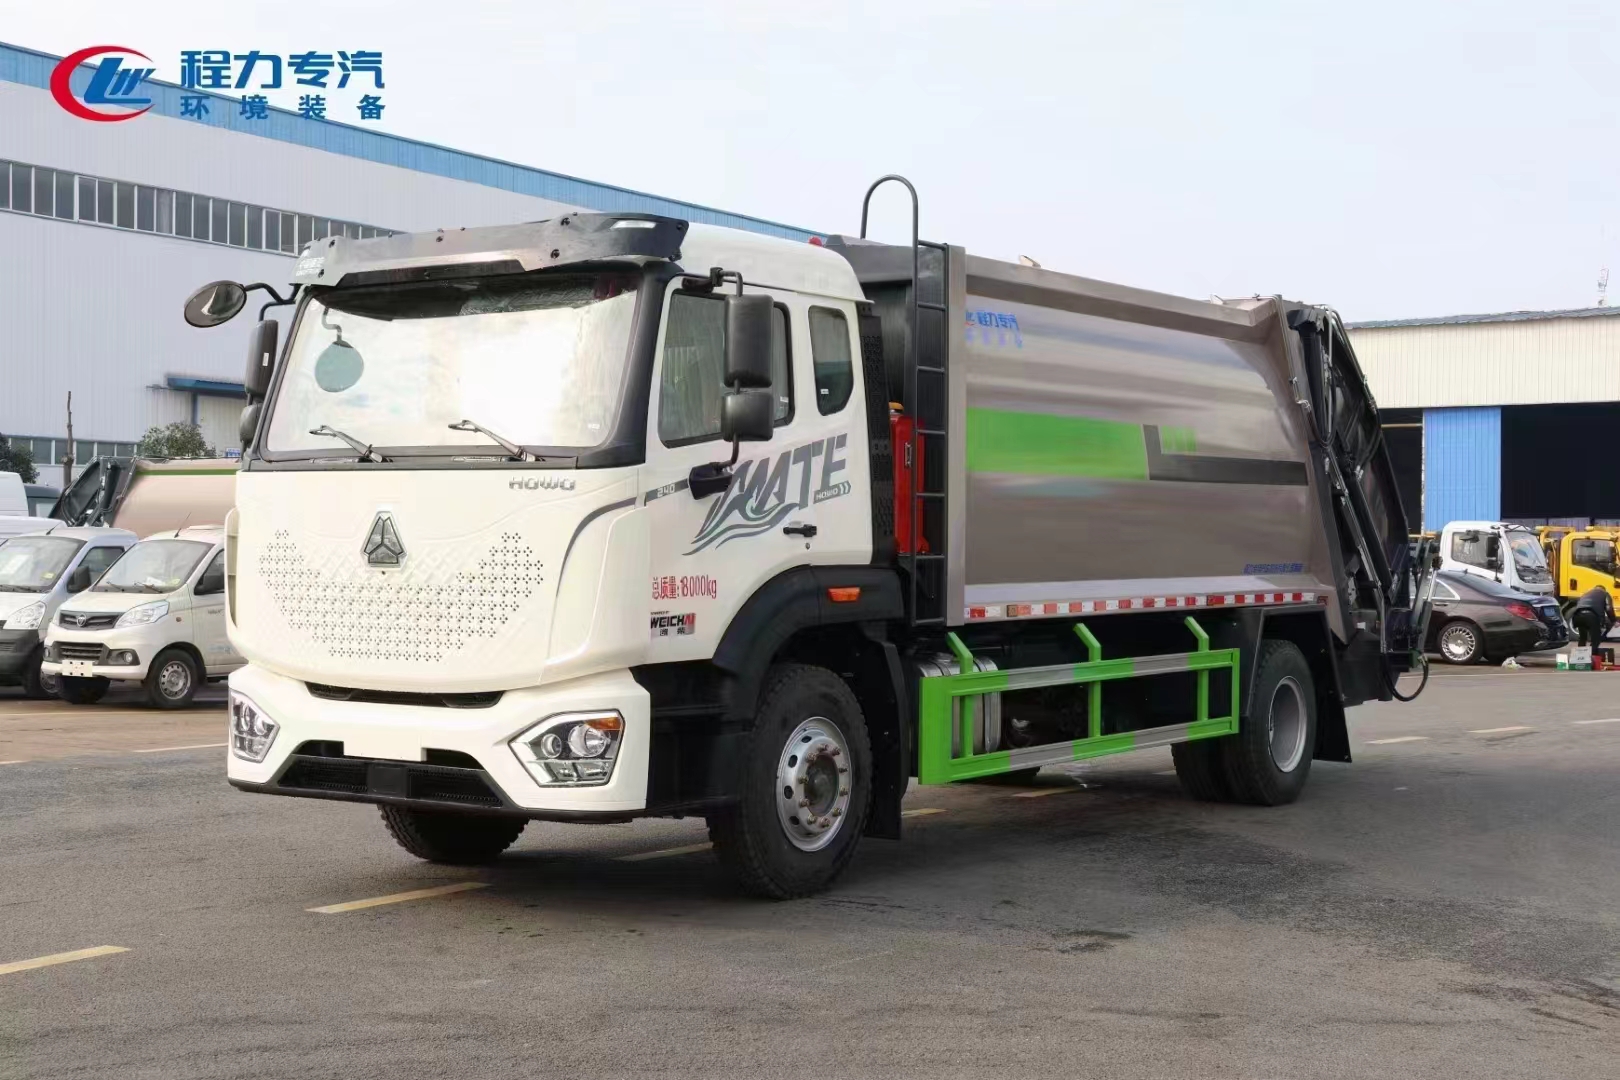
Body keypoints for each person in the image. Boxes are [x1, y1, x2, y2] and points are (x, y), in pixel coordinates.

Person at [1569, 585, 1615, 650]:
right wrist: (1613, 621)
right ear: (1603, 589)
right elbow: (1608, 608)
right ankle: (1592, 653)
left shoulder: (1585, 594)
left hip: (1577, 615)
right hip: (1591, 616)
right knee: (1596, 639)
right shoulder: (1605, 593)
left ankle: (1580, 654)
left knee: (1582, 638)